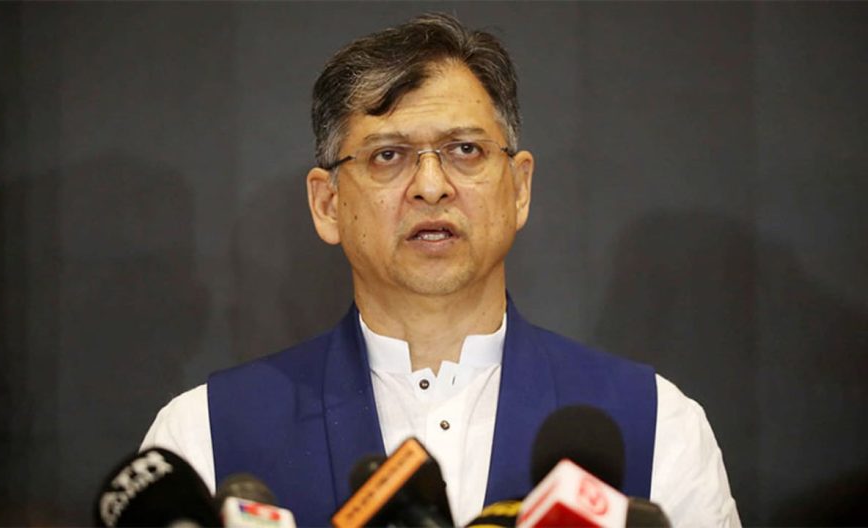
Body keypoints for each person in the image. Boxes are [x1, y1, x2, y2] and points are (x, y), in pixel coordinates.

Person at [142, 13, 740, 527]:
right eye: (388, 155)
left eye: (465, 150)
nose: (431, 186)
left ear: (520, 188)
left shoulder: (658, 425)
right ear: (327, 204)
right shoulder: (203, 439)